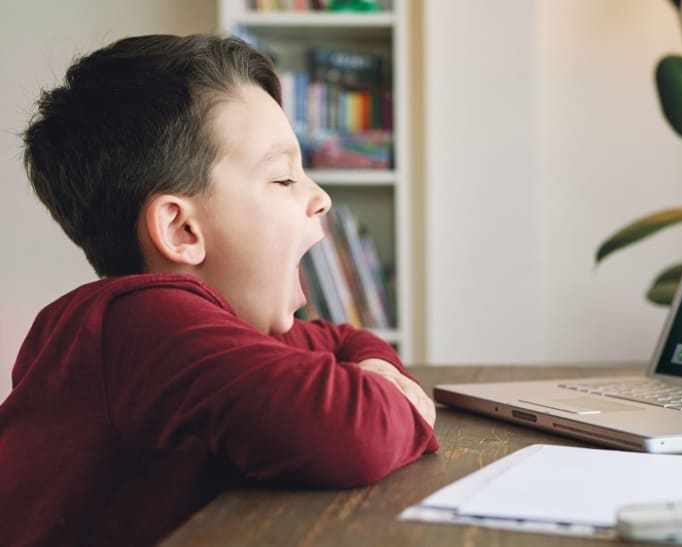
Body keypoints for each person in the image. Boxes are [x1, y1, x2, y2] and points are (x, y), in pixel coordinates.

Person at [0, 34, 438, 547]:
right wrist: (401, 400)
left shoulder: (213, 327)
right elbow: (349, 435)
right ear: (182, 231)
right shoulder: (144, 321)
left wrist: (379, 371)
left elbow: (342, 341)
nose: (320, 197)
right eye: (283, 179)